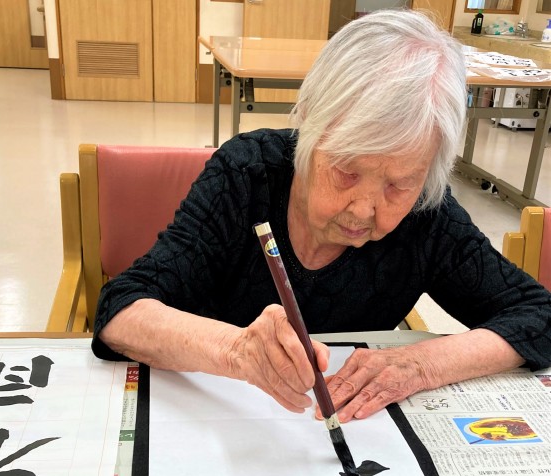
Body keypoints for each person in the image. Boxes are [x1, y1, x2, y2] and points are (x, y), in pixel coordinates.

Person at [92, 9, 551, 422]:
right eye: (347, 171)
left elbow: (539, 314)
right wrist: (237, 351)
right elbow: (121, 310)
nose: (364, 210)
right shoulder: (247, 175)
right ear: (309, 121)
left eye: (399, 184)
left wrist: (422, 364)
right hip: (211, 420)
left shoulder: (426, 213)